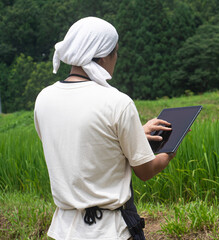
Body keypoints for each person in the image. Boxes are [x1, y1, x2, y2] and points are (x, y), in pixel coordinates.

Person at [34, 17, 175, 240]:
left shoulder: (44, 99)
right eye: (115, 52)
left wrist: (135, 132)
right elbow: (146, 171)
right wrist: (170, 151)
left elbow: (79, 144)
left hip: (63, 230)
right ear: (103, 56)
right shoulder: (117, 102)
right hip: (110, 230)